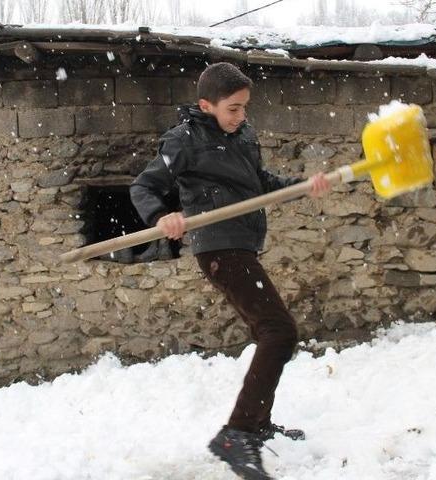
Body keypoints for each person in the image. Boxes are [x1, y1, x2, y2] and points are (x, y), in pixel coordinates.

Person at [130, 62, 331, 480]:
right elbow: (143, 186)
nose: (241, 116)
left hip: (242, 243)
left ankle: (254, 426)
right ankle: (236, 435)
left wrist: (300, 185)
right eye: (233, 109)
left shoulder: (243, 135)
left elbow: (259, 182)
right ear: (206, 105)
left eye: (244, 108)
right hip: (217, 246)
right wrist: (161, 217)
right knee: (280, 331)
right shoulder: (184, 140)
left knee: (269, 332)